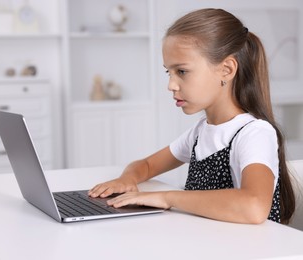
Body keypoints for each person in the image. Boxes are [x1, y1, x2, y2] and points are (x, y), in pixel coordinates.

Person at [88, 8, 296, 224]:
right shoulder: (200, 133)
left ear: (226, 70)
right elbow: (146, 165)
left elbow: (254, 206)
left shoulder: (254, 133)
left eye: (182, 71)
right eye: (168, 72)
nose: (171, 85)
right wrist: (127, 179)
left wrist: (167, 197)